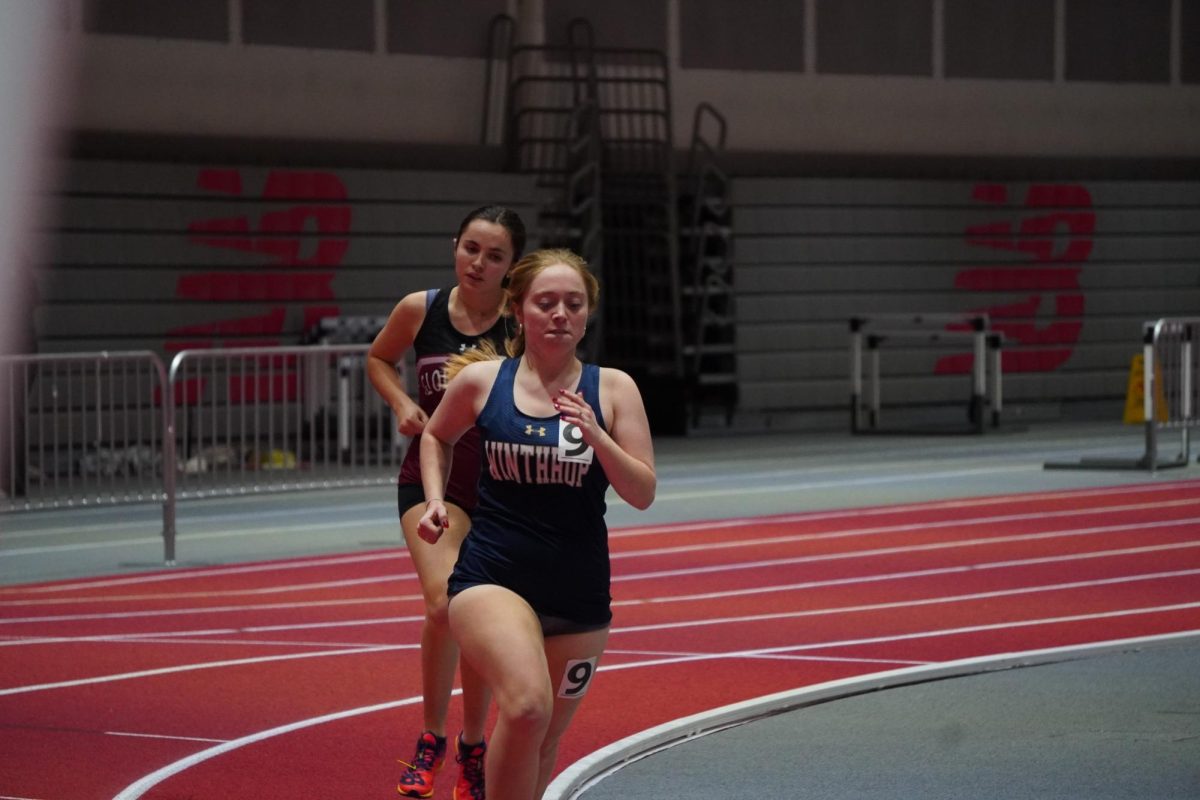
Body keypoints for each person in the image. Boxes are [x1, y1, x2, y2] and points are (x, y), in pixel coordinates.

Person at [418, 248, 656, 800]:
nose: (560, 315)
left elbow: (642, 492)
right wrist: (436, 499)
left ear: (587, 313)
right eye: (545, 303)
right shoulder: (482, 381)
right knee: (526, 707)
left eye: (573, 304)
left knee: (544, 738)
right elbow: (435, 435)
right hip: (492, 577)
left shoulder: (614, 388)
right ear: (518, 309)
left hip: (579, 593)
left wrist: (597, 436)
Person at [367, 204, 526, 799]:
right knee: (444, 605)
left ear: (512, 268)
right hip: (432, 479)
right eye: (470, 249)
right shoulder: (421, 309)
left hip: (503, 489)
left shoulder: (519, 324)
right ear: (454, 246)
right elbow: (378, 358)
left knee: (479, 615)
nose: (477, 263)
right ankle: (431, 736)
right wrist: (402, 404)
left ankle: (474, 744)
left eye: (494, 256)